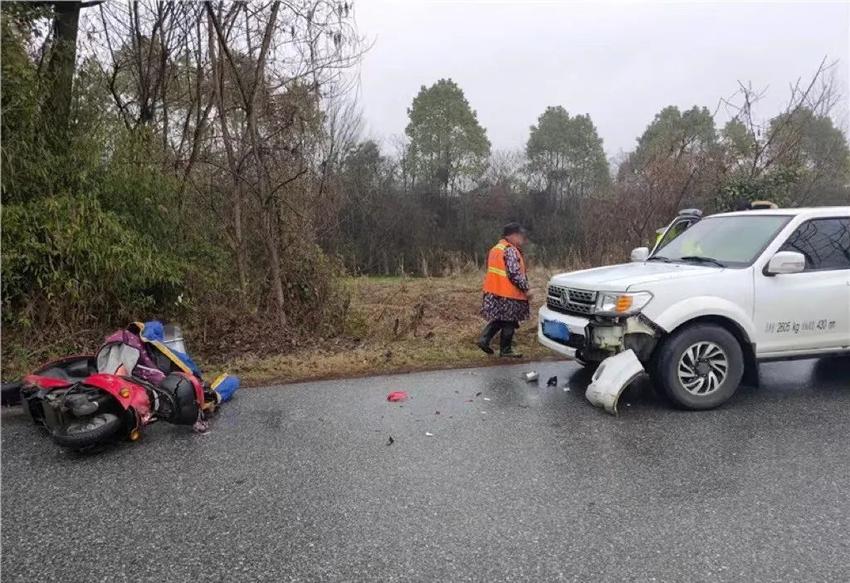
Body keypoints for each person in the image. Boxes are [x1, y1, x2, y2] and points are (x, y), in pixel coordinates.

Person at [478, 223, 532, 358]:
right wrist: (526, 288)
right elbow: (515, 274)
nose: (523, 239)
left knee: (501, 319)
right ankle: (506, 350)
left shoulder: (496, 249)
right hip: (509, 293)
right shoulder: (511, 250)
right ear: (512, 235)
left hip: (495, 292)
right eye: (521, 236)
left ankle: (484, 340)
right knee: (510, 321)